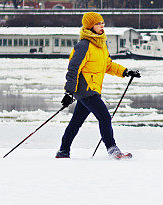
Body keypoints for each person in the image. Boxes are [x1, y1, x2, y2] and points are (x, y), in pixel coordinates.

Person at [56, 12, 141, 159]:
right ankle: (112, 150)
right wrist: (69, 92)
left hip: (93, 89)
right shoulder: (83, 46)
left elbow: (107, 65)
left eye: (102, 22)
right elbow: (73, 69)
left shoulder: (100, 45)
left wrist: (125, 72)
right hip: (85, 90)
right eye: (98, 23)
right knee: (105, 117)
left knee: (76, 122)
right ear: (90, 26)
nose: (102, 26)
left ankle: (63, 151)